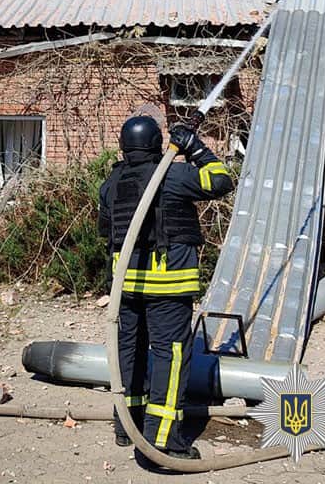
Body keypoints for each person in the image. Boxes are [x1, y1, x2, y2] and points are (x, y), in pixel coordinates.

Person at [98, 114, 234, 462]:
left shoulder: (112, 182)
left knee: (129, 351)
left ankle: (126, 426)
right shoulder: (172, 175)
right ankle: (164, 440)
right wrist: (194, 147)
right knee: (170, 357)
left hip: (125, 287)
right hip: (168, 285)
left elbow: (105, 231)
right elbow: (221, 180)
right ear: (156, 144)